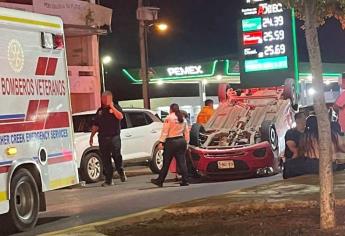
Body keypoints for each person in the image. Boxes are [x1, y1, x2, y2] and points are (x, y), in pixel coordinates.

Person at [89, 91, 127, 186]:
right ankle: (109, 180)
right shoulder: (100, 111)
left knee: (116, 155)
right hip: (103, 138)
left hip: (114, 137)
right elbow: (96, 125)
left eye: (107, 98)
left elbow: (120, 116)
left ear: (111, 98)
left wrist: (112, 107)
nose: (104, 100)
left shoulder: (116, 108)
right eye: (103, 98)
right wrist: (91, 136)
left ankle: (120, 170)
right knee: (106, 159)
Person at [151, 103, 190, 187]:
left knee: (166, 162)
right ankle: (185, 180)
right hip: (181, 141)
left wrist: (161, 142)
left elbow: (165, 131)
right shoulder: (182, 118)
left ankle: (160, 181)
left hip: (171, 142)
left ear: (171, 109)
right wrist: (187, 142)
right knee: (182, 162)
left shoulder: (169, 118)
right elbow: (186, 132)